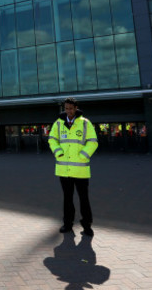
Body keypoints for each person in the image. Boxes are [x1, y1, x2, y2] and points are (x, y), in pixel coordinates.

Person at [49, 97, 98, 237]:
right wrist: (58, 152)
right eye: (66, 108)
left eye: (71, 108)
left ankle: (87, 225)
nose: (68, 111)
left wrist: (83, 155)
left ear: (76, 108)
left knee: (84, 198)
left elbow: (93, 141)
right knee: (67, 198)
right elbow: (52, 139)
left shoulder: (85, 123)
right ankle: (68, 224)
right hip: (64, 169)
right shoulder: (58, 123)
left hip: (80, 168)